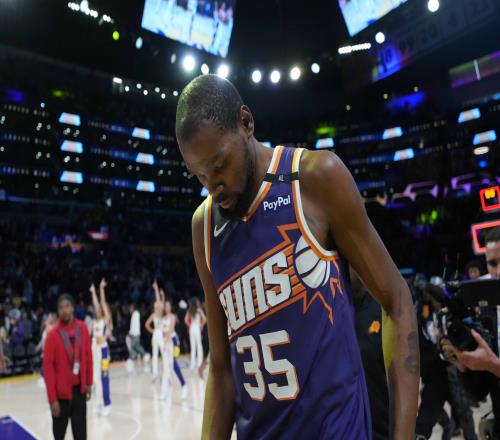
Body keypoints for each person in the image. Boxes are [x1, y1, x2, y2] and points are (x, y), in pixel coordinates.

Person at [175, 74, 419, 439]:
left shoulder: (315, 178)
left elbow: (397, 301)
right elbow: (222, 370)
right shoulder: (204, 227)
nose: (212, 186)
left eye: (220, 164)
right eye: (199, 175)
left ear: (246, 122)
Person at [43, 294, 93, 440]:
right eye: (61, 308)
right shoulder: (52, 335)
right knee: (59, 436)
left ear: (73, 308)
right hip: (60, 397)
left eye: (67, 306)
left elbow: (88, 357)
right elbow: (48, 369)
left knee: (81, 435)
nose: (64, 310)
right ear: (57, 311)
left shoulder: (82, 328)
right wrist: (52, 399)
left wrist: (88, 383)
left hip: (79, 392)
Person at [350, 267, 389, 440]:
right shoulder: (323, 313)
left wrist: (420, 427)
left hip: (382, 430)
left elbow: (433, 372)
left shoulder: (387, 310)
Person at [90, 279, 112, 415]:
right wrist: (93, 292)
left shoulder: (106, 319)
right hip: (95, 349)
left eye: (100, 308)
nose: (98, 309)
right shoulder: (95, 321)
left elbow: (102, 303)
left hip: (103, 350)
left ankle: (107, 403)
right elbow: (96, 303)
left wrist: (101, 289)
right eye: (96, 308)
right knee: (95, 378)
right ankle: (98, 403)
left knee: (104, 376)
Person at [146, 280, 166, 381]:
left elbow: (160, 302)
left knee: (162, 354)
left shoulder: (160, 313)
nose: (157, 305)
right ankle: (155, 374)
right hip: (157, 334)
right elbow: (146, 325)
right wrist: (153, 331)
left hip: (160, 334)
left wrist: (157, 290)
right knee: (156, 354)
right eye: (156, 305)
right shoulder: (154, 315)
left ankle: (163, 373)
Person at [160, 298, 176, 400]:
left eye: (168, 306)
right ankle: (163, 392)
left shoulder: (172, 317)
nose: (167, 307)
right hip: (164, 343)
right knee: (165, 368)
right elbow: (163, 331)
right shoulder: (163, 318)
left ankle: (171, 384)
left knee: (172, 366)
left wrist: (166, 343)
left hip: (170, 343)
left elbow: (171, 330)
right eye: (165, 306)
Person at [126, 302, 149, 372]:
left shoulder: (136, 314)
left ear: (133, 308)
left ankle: (143, 354)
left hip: (135, 334)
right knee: (135, 346)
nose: (129, 309)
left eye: (130, 308)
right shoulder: (134, 314)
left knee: (135, 346)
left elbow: (134, 325)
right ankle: (134, 357)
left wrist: (131, 333)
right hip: (134, 333)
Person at [184, 297, 206, 371]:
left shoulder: (190, 310)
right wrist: (201, 325)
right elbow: (204, 319)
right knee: (199, 345)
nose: (199, 302)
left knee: (193, 346)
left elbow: (185, 320)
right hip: (197, 327)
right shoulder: (199, 310)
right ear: (196, 303)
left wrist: (190, 325)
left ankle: (192, 364)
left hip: (192, 328)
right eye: (198, 302)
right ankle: (199, 363)